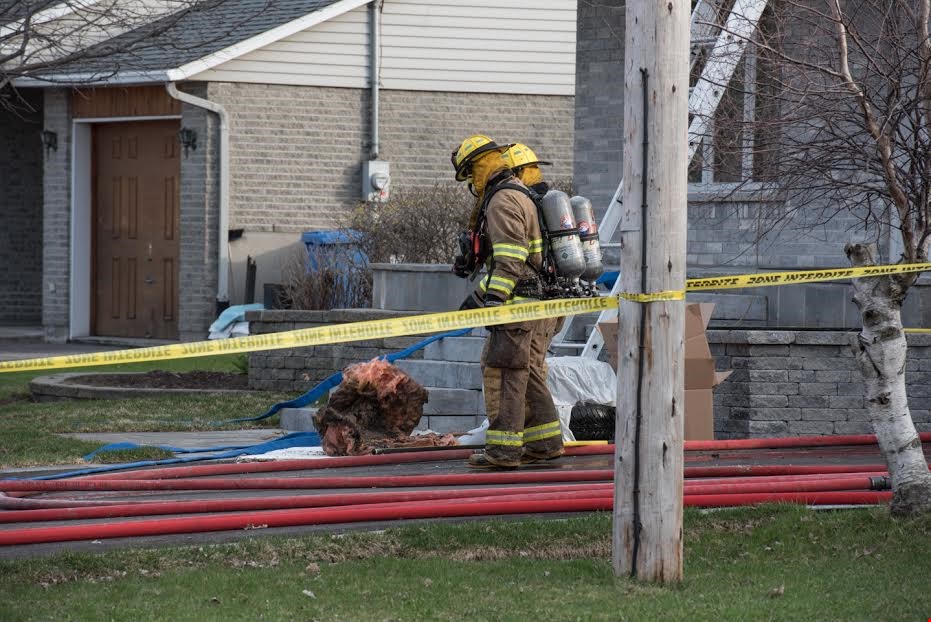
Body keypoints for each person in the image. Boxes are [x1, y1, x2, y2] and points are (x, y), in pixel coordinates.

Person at [450, 135, 564, 469]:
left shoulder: (502, 200)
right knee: (525, 371)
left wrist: (489, 297)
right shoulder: (518, 193)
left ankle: (504, 450)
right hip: (530, 301)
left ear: (480, 165)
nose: (472, 181)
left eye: (471, 172)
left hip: (516, 304)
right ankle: (544, 443)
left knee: (504, 373)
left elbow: (512, 256)